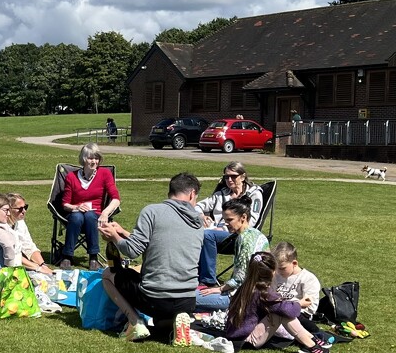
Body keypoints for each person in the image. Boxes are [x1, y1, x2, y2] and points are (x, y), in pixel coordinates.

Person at [98, 172, 204, 341]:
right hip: (188, 299)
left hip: (155, 297)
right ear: (191, 194)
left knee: (108, 275)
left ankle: (136, 322)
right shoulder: (198, 222)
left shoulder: (152, 212)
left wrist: (114, 237)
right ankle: (176, 323)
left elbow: (132, 251)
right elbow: (157, 240)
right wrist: (123, 233)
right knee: (160, 324)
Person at [224, 251, 330, 353]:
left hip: (236, 334)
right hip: (247, 340)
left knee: (281, 310)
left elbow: (278, 305)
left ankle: (311, 338)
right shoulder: (262, 292)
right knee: (281, 314)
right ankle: (311, 345)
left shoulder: (248, 286)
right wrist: (300, 303)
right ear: (272, 272)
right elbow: (287, 311)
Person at [196, 196, 269, 310]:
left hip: (241, 297)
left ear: (243, 217)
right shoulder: (257, 234)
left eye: (229, 220)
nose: (226, 224)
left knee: (188, 298)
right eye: (225, 220)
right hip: (256, 293)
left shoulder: (244, 240)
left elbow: (240, 278)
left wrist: (220, 289)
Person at [196, 162, 261, 286]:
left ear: (242, 177)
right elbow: (198, 206)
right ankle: (193, 276)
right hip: (215, 231)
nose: (229, 179)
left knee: (207, 235)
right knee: (194, 232)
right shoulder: (221, 194)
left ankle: (207, 281)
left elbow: (252, 221)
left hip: (239, 235)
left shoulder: (254, 194)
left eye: (233, 176)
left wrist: (225, 228)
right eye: (226, 177)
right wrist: (201, 216)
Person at [59, 143, 121, 271]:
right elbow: (65, 204)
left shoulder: (104, 174)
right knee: (76, 217)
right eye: (90, 158)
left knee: (90, 215)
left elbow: (116, 199)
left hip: (96, 214)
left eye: (96, 158)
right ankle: (68, 256)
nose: (94, 161)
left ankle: (93, 256)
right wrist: (76, 207)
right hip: (75, 213)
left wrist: (105, 213)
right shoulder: (71, 177)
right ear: (83, 159)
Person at [271, 241, 321, 336]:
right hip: (277, 312)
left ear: (294, 263)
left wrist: (289, 307)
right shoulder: (276, 276)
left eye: (282, 268)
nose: (278, 271)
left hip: (298, 315)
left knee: (287, 317)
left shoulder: (308, 278)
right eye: (276, 268)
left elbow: (309, 306)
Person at [6, 192, 53, 274]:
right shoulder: (2, 227)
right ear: (8, 210)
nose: (24, 211)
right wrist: (37, 268)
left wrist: (43, 265)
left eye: (25, 207)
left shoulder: (19, 222)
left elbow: (28, 246)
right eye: (20, 209)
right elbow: (13, 255)